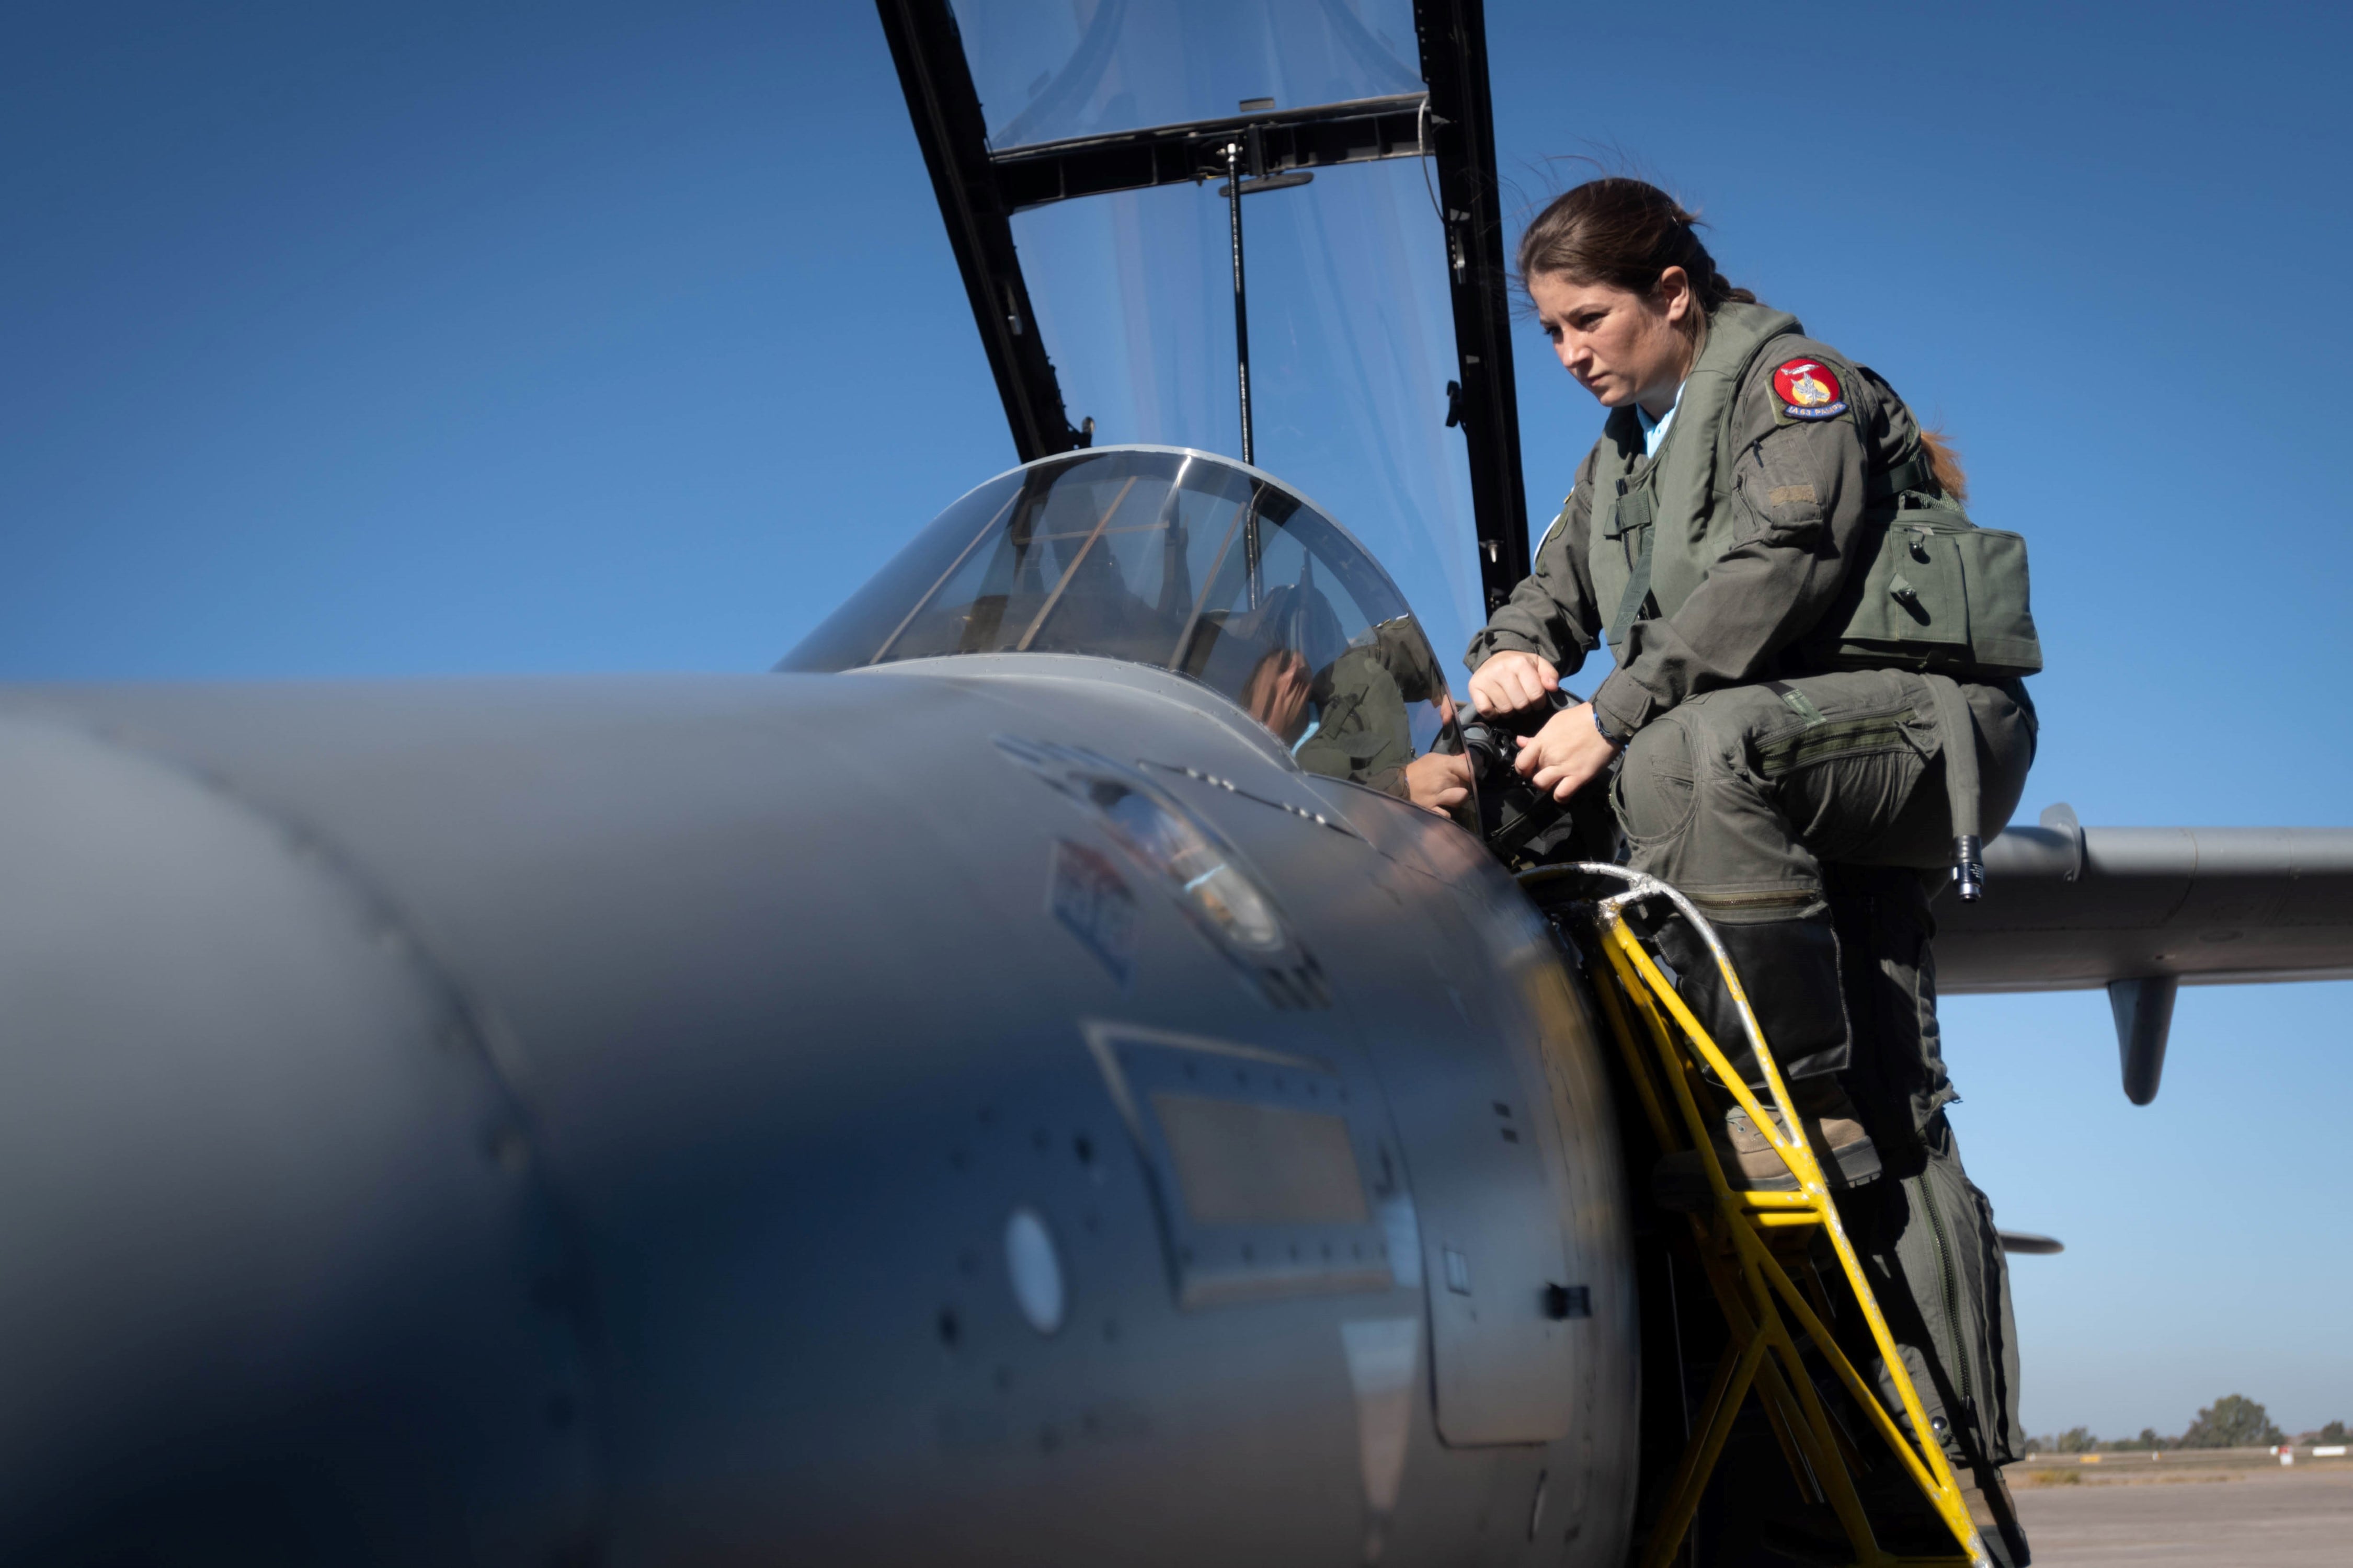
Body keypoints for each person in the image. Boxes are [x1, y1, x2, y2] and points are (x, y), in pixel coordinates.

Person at [1464, 177, 2037, 1563]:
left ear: (1671, 293)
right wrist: (1510, 652)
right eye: (1545, 333)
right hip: (1773, 745)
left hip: (1910, 726)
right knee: (1532, 820)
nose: (1569, 355)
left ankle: (1791, 1102)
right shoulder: (1621, 458)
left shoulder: (1793, 387)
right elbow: (1554, 587)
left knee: (1673, 756)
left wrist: (1610, 707)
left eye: (1585, 320)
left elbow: (1777, 569)